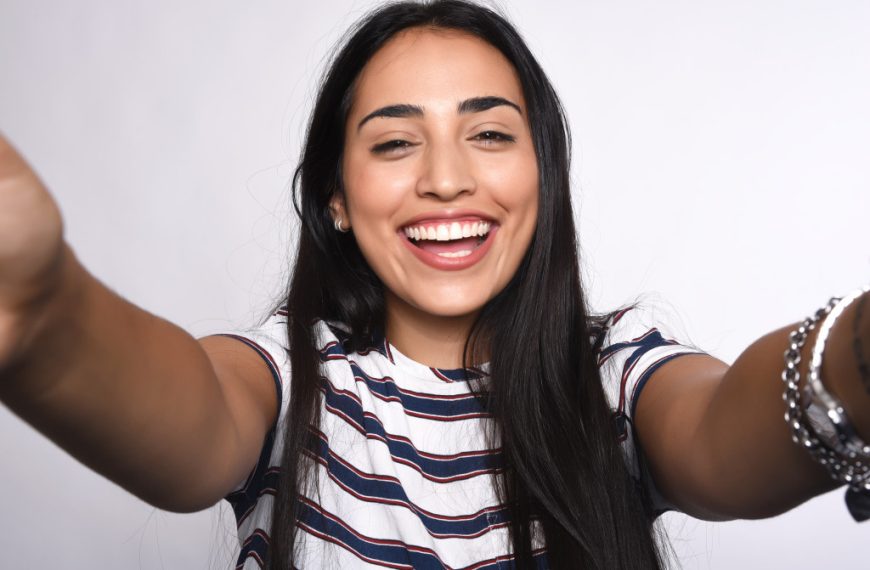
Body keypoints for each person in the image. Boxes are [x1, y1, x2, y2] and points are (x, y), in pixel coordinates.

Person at [0, 1, 867, 568]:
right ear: (336, 198)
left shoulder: (612, 373)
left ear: (543, 173)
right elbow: (189, 426)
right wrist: (44, 315)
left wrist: (857, 363)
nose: (447, 181)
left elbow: (724, 431)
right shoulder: (291, 378)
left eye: (489, 135)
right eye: (393, 142)